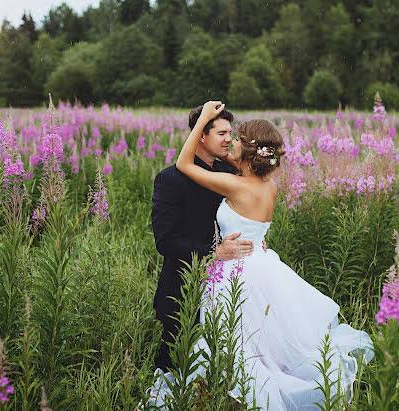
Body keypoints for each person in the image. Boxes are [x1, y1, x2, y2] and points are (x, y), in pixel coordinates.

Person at [171, 101, 374, 410]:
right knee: (262, 343)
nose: (231, 142)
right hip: (264, 266)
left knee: (237, 343)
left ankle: (246, 399)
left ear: (249, 151)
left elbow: (184, 164)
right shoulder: (270, 186)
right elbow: (256, 228)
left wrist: (201, 122)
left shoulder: (235, 186)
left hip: (236, 274)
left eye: (237, 138)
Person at [149, 104, 257, 400]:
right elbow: (166, 241)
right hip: (184, 285)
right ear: (200, 136)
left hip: (229, 284)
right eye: (221, 133)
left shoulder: (229, 171)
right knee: (177, 362)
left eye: (230, 133)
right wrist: (214, 252)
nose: (228, 139)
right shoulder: (169, 179)